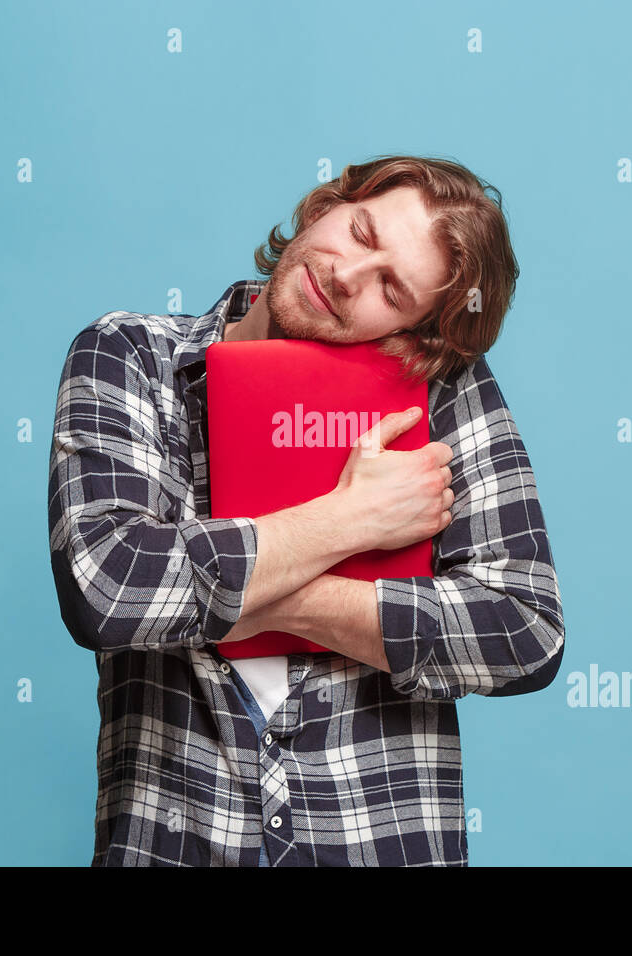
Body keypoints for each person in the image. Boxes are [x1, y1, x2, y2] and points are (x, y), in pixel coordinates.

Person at [47, 154, 565, 866]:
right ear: (325, 204)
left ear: (417, 332)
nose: (347, 275)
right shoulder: (131, 356)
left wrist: (260, 596)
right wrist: (351, 520)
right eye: (359, 231)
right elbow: (108, 588)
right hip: (174, 845)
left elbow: (526, 628)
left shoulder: (440, 391)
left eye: (392, 286)